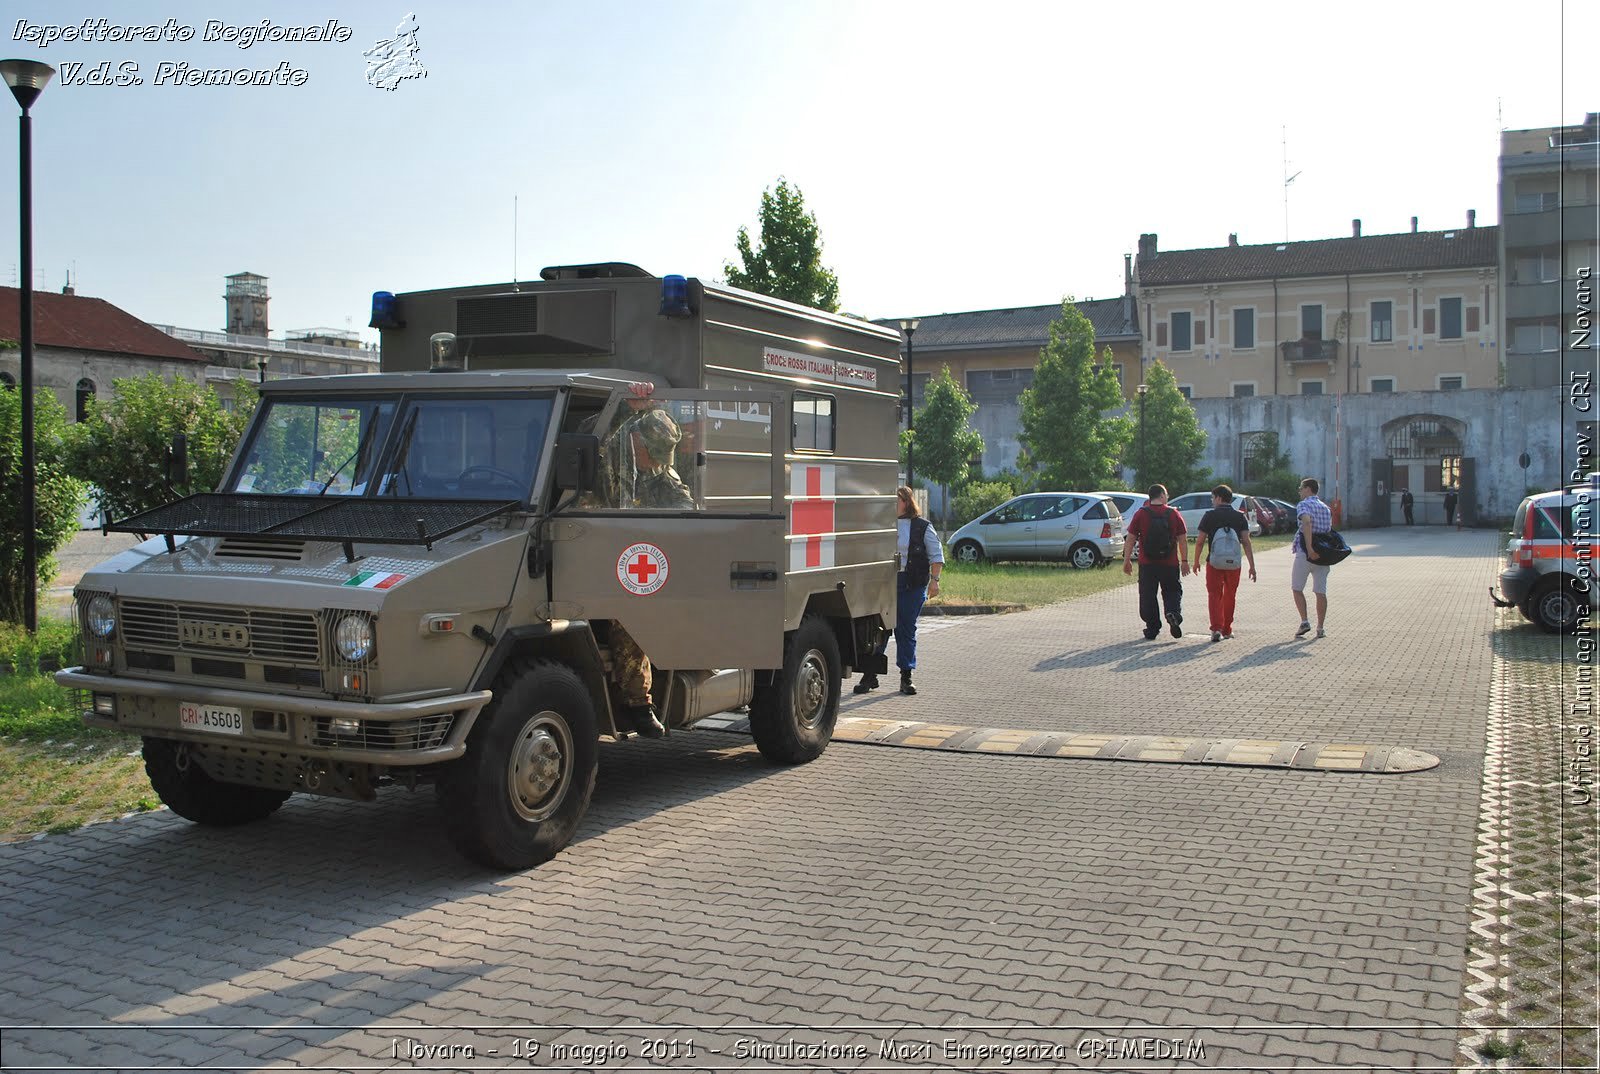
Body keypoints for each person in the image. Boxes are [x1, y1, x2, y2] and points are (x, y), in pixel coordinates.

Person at [586, 383, 695, 738]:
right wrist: (625, 408)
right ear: (636, 440)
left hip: (628, 559)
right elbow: (591, 432)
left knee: (639, 607)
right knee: (631, 613)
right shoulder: (607, 451)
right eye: (654, 454)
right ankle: (636, 702)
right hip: (589, 552)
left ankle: (645, 698)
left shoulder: (655, 470)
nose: (658, 464)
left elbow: (682, 502)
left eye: (664, 457)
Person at [855, 486, 943, 696]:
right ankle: (870, 675)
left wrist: (935, 581)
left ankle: (906, 676)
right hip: (885, 583)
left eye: (897, 499)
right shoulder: (882, 525)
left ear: (906, 502)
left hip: (912, 585)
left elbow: (936, 555)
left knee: (905, 630)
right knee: (879, 629)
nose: (892, 503)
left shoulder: (922, 526)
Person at [1122, 484, 1189, 639]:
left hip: (1147, 563)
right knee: (1172, 591)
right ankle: (1172, 613)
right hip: (1170, 563)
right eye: (1166, 494)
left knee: (1148, 595)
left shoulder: (1141, 514)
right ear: (1161, 496)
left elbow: (1131, 538)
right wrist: (1184, 560)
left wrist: (1127, 560)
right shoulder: (1174, 514)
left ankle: (1152, 628)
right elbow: (1183, 539)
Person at [1192, 483, 1257, 642]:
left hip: (1214, 562)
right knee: (1230, 595)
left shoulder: (1209, 515)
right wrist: (1252, 566)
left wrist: (1196, 561)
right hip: (1234, 563)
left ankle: (1216, 629)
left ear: (1219, 498)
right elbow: (1246, 541)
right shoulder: (1239, 516)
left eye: (1213, 498)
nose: (1212, 501)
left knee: (1214, 594)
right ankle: (1227, 629)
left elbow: (1200, 541)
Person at [1291, 476, 1333, 639]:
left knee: (1297, 588)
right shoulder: (1325, 508)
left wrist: (1309, 548)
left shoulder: (1304, 505)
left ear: (1308, 489)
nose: (1300, 491)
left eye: (1301, 488)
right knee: (1320, 591)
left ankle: (1304, 621)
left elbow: (1306, 523)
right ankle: (1320, 628)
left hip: (1305, 553)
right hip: (1323, 554)